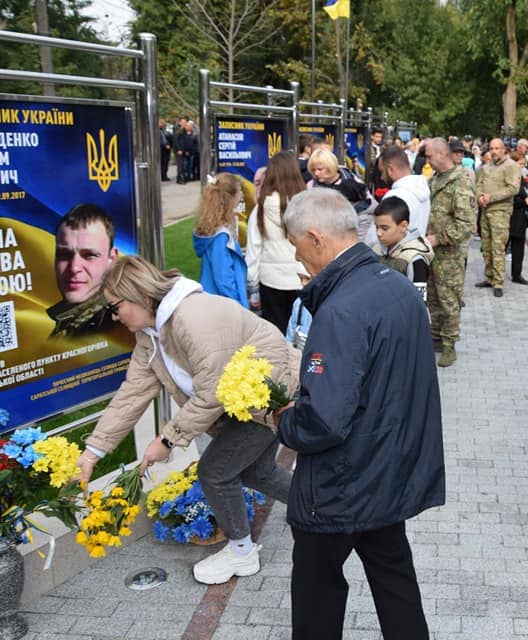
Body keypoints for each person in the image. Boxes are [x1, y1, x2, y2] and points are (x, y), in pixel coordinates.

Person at [276, 188, 444, 640]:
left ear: (316, 238)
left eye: (296, 247)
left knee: (316, 593)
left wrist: (283, 421)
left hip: (340, 486)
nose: (298, 260)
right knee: (395, 582)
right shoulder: (396, 286)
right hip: (388, 472)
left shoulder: (341, 309)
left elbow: (325, 420)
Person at [76, 255, 300, 584]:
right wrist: (93, 452)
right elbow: (133, 393)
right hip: (241, 403)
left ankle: (242, 553)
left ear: (139, 295)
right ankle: (318, 509)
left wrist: (167, 440)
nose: (113, 317)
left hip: (269, 398)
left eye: (114, 307)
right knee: (256, 470)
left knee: (215, 471)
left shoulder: (193, 317)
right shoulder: (150, 335)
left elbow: (212, 391)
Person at [425, 138, 476, 367]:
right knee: (433, 298)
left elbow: (465, 224)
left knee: (449, 300)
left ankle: (449, 344)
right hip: (432, 251)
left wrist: (438, 238)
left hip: (450, 255)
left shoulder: (460, 181)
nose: (427, 160)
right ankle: (435, 338)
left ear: (442, 155)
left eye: (429, 156)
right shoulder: (435, 179)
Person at [246, 151, 306, 331]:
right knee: (302, 332)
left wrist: (252, 283)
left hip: (271, 281)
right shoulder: (306, 206)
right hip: (301, 277)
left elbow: (253, 251)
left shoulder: (260, 209)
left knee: (276, 333)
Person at [47, 204, 120, 336]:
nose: (74, 267)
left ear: (112, 259)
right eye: (64, 254)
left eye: (90, 255)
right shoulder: (68, 322)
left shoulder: (119, 325)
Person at [193, 172, 248, 308]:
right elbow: (223, 278)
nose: (241, 196)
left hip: (213, 301)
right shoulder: (221, 236)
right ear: (230, 198)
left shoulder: (214, 230)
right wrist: (238, 306)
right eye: (239, 192)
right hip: (224, 306)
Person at [475, 138, 521, 297]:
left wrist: (491, 197)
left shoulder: (511, 166)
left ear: (504, 150)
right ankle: (489, 277)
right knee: (486, 247)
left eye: (497, 148)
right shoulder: (486, 167)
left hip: (500, 212)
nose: (494, 151)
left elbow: (513, 188)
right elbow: (478, 184)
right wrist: (479, 196)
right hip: (485, 211)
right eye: (492, 148)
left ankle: (498, 282)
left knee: (498, 248)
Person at [362, 145, 431, 246]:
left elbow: (374, 239)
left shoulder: (395, 196)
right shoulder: (423, 190)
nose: (381, 178)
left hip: (393, 256)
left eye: (382, 172)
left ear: (390, 170)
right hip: (414, 253)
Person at [372, 197, 434, 302]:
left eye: (384, 228)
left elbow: (418, 304)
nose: (378, 233)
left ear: (403, 226)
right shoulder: (375, 249)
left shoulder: (414, 259)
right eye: (376, 227)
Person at [307, 148, 375, 241]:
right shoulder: (311, 186)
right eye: (313, 170)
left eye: (320, 169)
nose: (316, 173)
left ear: (330, 167)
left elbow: (369, 207)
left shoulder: (352, 180)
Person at [507, 149, 528, 285]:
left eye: (524, 164)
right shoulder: (508, 178)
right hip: (509, 218)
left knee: (519, 248)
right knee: (501, 248)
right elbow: (508, 199)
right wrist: (525, 202)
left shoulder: (522, 179)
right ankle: (494, 275)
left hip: (520, 219)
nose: (523, 167)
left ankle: (517, 274)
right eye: (521, 164)